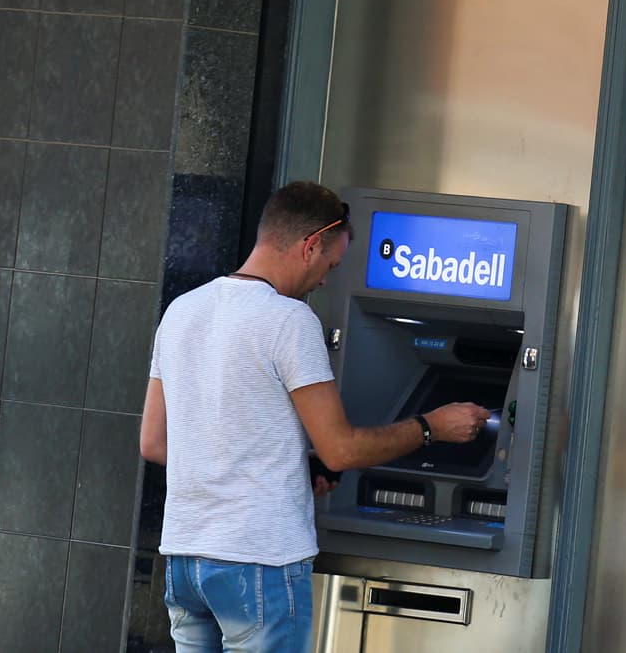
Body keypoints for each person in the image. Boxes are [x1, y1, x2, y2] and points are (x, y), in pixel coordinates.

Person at [140, 181, 492, 653]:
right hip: (259, 561)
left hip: (186, 557)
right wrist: (432, 426)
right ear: (310, 246)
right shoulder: (289, 320)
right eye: (330, 264)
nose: (326, 280)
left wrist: (288, 468)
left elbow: (155, 443)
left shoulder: (182, 311)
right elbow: (342, 449)